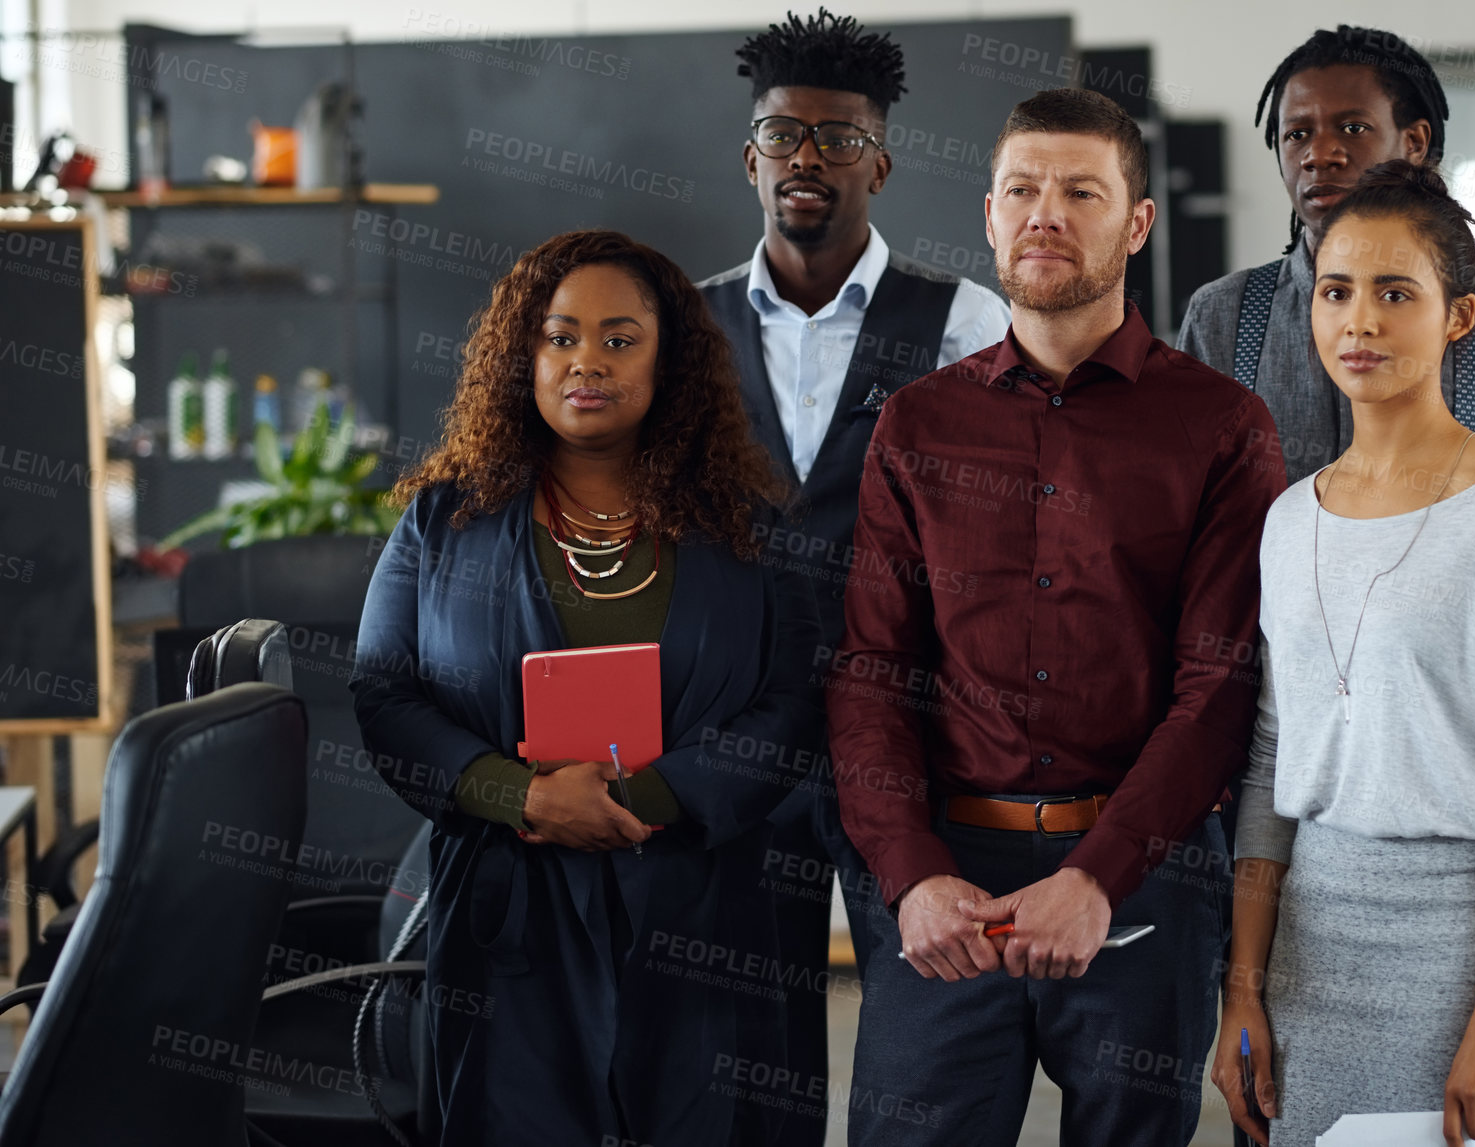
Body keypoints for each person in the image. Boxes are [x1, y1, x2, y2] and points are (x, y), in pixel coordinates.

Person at [828, 88, 1285, 1147]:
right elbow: (869, 670)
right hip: (947, 882)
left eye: (1080, 191)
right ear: (988, 215)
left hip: (1142, 885)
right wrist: (909, 877)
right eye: (1021, 190)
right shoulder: (917, 422)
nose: (1045, 213)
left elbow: (1217, 687)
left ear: (1134, 223)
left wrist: (1096, 876)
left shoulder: (1220, 427)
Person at [350, 229, 823, 1146]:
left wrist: (641, 797)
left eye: (619, 338)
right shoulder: (444, 520)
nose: (585, 362)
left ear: (668, 358)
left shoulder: (749, 526)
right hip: (507, 914)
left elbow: (797, 702)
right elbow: (385, 694)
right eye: (560, 336)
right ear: (522, 353)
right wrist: (524, 795)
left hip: (701, 903)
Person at [1208, 162, 1475, 1147]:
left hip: (1468, 956)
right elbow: (1266, 770)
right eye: (1336, 291)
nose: (1359, 322)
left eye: (1395, 293)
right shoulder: (1288, 520)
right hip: (1312, 961)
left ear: (1457, 317)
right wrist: (1241, 991)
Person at [695, 10, 1010, 1131]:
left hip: (909, 733)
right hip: (737, 733)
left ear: (878, 157)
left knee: (919, 1049)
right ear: (750, 156)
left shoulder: (965, 323)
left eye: (836, 138)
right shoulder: (687, 331)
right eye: (783, 137)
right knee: (750, 1053)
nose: (808, 160)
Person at [1176, 23, 1475, 633]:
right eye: (1297, 134)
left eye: (1352, 127)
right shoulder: (1223, 316)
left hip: (1463, 715)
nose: (1320, 152)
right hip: (1276, 711)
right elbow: (1182, 534)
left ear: (1416, 141)